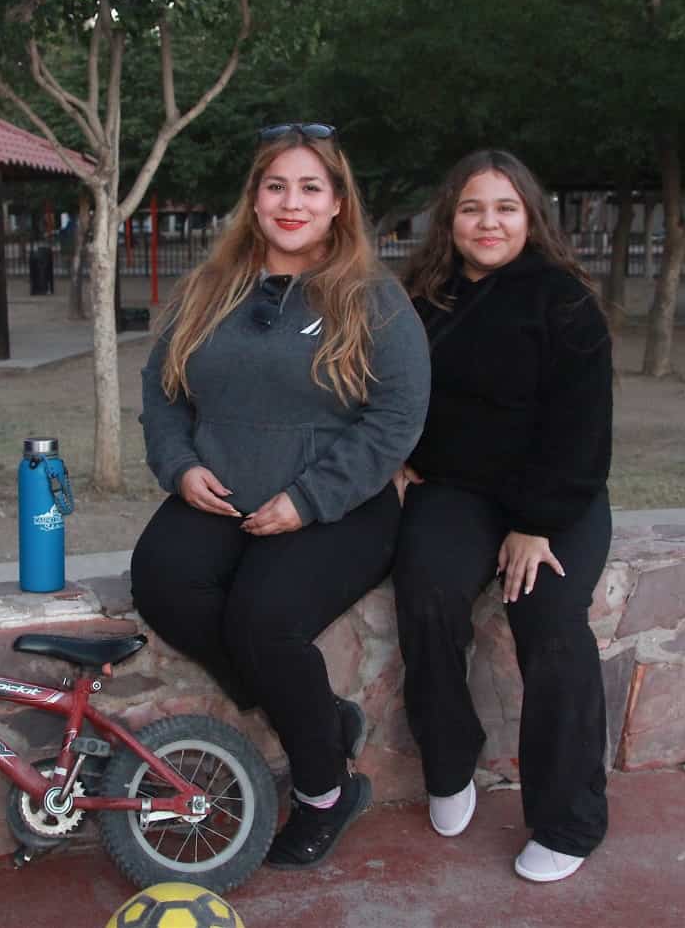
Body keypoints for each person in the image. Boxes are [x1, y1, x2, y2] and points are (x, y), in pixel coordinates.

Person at [132, 123, 430, 870]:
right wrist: (178, 467)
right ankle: (324, 719)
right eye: (276, 187)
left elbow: (397, 419)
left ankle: (326, 788)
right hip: (223, 489)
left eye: (309, 188)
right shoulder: (209, 286)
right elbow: (161, 393)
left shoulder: (374, 298)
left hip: (341, 504)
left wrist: (309, 499)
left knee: (265, 619)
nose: (291, 203)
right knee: (161, 580)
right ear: (254, 199)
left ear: (337, 203)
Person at [391, 149, 613, 883]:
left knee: (549, 621)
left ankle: (569, 818)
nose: (489, 223)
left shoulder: (565, 298)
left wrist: (538, 523)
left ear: (530, 216)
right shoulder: (421, 296)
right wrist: (392, 455)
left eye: (505, 208)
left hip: (556, 495)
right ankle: (451, 762)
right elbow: (386, 391)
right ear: (448, 220)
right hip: (454, 490)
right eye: (472, 208)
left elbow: (583, 429)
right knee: (427, 593)